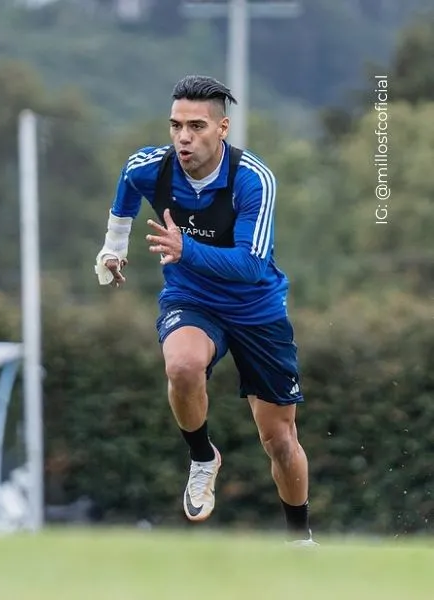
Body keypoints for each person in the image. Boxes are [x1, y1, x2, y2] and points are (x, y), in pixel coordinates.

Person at [94, 75, 316, 546]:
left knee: (279, 439)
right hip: (192, 299)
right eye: (176, 126)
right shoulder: (152, 167)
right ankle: (202, 457)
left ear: (223, 128)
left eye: (196, 126)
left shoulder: (253, 179)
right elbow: (127, 181)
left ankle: (300, 540)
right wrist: (113, 247)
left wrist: (185, 248)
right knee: (182, 365)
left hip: (256, 308)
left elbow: (251, 265)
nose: (183, 138)